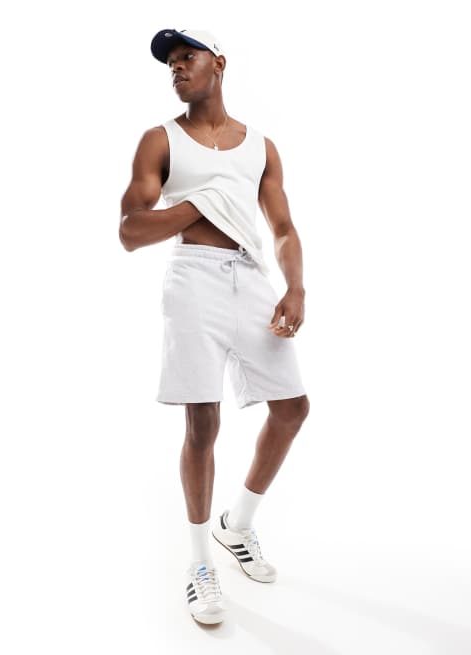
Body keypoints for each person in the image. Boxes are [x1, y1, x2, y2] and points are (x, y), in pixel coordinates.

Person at [119, 28, 310, 625]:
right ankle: (200, 563)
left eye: (187, 57)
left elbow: (282, 228)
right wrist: (197, 204)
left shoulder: (261, 146)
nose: (177, 68)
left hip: (251, 276)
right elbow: (130, 231)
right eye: (170, 63)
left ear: (218, 64)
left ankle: (238, 525)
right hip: (193, 277)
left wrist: (295, 286)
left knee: (292, 408)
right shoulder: (161, 140)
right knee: (203, 421)